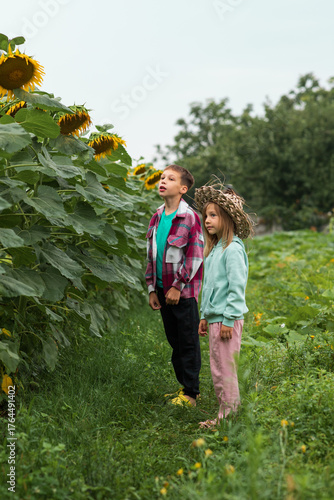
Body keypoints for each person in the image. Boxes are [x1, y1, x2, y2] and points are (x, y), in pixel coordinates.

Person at [194, 183, 254, 427]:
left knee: (225, 370)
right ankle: (227, 412)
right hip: (216, 318)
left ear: (227, 218)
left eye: (213, 215)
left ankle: (228, 417)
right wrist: (204, 315)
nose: (207, 220)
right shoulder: (216, 248)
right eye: (206, 215)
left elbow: (236, 287)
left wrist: (229, 318)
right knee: (218, 369)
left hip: (227, 320)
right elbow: (211, 286)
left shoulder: (232, 249)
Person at [145, 164, 204, 407]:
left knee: (188, 342)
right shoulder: (157, 216)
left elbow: (195, 255)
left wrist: (177, 286)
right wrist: (151, 288)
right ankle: (183, 387)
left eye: (170, 179)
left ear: (182, 188)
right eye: (162, 177)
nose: (163, 181)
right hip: (162, 289)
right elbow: (151, 255)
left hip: (183, 293)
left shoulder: (189, 217)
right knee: (175, 342)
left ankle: (191, 393)